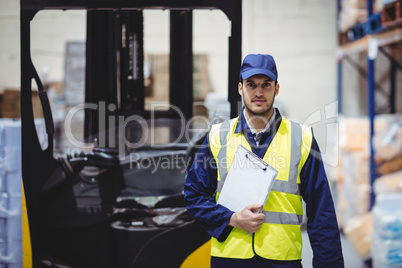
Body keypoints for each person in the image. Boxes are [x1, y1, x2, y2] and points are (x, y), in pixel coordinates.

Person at [184, 54, 344, 268]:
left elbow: (321, 210)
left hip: (281, 259)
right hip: (231, 259)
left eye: (266, 85)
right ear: (240, 88)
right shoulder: (218, 136)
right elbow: (194, 195)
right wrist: (231, 219)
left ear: (276, 89)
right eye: (251, 85)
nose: (258, 92)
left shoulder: (301, 138)